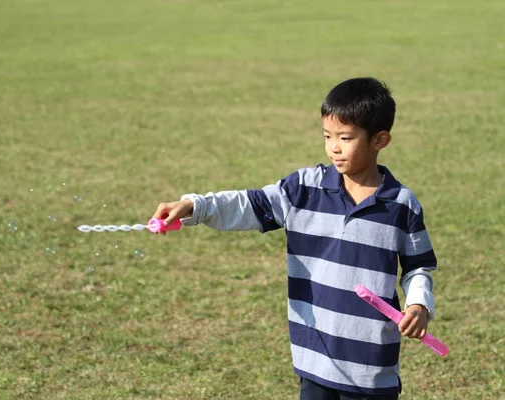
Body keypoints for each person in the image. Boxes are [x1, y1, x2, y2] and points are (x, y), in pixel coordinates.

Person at [151, 77, 437, 399]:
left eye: (345, 137)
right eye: (327, 136)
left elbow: (418, 267)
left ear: (380, 140)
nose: (334, 147)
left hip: (370, 366)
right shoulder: (303, 188)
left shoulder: (400, 204)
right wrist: (195, 206)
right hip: (314, 358)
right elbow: (252, 204)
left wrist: (418, 305)